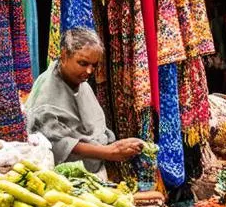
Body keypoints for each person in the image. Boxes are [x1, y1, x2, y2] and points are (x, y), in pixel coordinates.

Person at [25, 26, 143, 176]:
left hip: (92, 174)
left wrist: (116, 146)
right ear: (64, 55)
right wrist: (108, 152)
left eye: (94, 65)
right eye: (83, 63)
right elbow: (56, 143)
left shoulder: (80, 83)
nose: (89, 71)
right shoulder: (47, 94)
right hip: (65, 180)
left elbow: (94, 127)